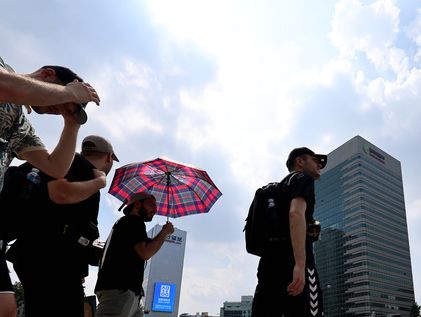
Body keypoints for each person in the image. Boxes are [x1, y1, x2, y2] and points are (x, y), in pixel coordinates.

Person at [0, 56, 100, 317]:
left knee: (6, 308)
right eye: (59, 104)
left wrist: (71, 124)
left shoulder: (20, 124)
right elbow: (5, 85)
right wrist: (67, 92)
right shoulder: (4, 70)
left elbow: (55, 168)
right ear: (47, 74)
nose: (58, 108)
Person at [7, 135, 118, 317]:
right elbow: (62, 196)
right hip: (51, 262)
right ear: (109, 157)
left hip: (36, 256)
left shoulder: (65, 164)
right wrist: (100, 182)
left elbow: (70, 223)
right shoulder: (85, 171)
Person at [251, 147, 327, 317]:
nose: (319, 165)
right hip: (294, 264)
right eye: (315, 160)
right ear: (300, 161)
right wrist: (300, 264)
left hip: (268, 264)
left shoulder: (272, 190)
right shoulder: (303, 178)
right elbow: (295, 213)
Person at [94, 192, 175, 317]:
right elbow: (146, 252)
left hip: (129, 293)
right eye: (151, 205)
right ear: (137, 204)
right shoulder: (133, 222)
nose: (155, 210)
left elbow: (147, 248)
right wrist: (164, 232)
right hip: (120, 291)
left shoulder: (126, 224)